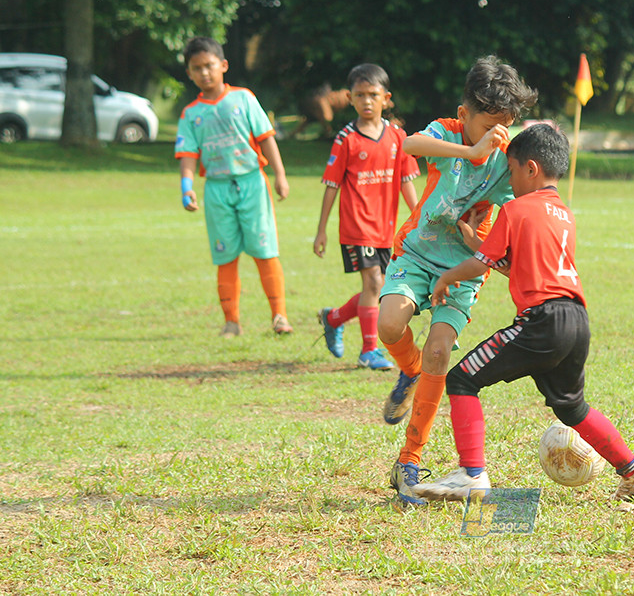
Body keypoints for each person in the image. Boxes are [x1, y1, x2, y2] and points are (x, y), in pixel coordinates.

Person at [411, 124, 634, 503]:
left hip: (542, 322)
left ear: (530, 168)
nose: (509, 181)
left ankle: (472, 474)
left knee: (462, 379)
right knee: (571, 406)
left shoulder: (515, 209)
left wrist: (446, 277)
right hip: (577, 320)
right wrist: (483, 246)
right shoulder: (564, 214)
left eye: (510, 171)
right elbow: (517, 266)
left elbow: (479, 266)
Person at [379, 55, 537, 505]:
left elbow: (523, 204)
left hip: (465, 266)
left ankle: (409, 460)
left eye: (506, 125)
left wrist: (491, 248)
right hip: (417, 252)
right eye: (490, 125)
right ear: (465, 114)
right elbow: (409, 145)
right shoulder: (448, 131)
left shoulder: (508, 159)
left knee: (440, 350)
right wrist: (471, 151)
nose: (498, 135)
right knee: (389, 326)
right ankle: (409, 372)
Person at [175, 36, 293, 337]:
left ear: (223, 66)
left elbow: (266, 137)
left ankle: (279, 315)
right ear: (189, 73)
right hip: (216, 189)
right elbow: (187, 155)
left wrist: (280, 175)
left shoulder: (243, 99)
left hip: (252, 182)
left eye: (209, 66)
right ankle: (231, 320)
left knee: (264, 250)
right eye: (196, 68)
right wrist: (186, 187)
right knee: (224, 255)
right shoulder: (191, 114)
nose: (204, 73)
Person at [313, 63, 420, 369]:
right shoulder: (346, 138)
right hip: (357, 226)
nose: (367, 101)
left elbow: (406, 182)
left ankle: (333, 318)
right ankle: (369, 351)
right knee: (374, 284)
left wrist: (418, 219)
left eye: (373, 94)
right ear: (349, 98)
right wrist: (321, 230)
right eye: (360, 95)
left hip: (387, 228)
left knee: (378, 288)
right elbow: (331, 187)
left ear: (387, 98)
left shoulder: (399, 137)